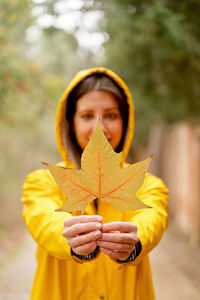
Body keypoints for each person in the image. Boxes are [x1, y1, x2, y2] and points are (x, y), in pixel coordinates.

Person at [22, 67, 168, 300]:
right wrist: (69, 236)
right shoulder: (41, 182)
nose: (100, 128)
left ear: (125, 121)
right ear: (71, 123)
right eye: (87, 115)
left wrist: (136, 241)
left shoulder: (147, 184)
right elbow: (43, 219)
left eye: (111, 115)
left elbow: (152, 219)